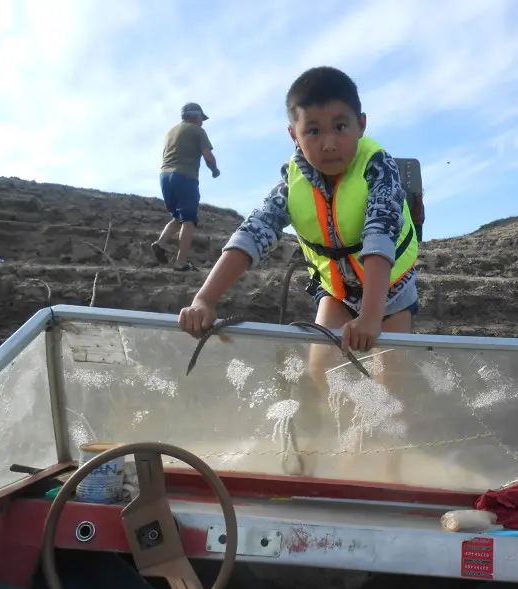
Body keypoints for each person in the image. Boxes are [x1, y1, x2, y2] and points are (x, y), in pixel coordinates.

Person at [178, 66, 419, 382]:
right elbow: (255, 231)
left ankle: (385, 431)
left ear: (361, 125)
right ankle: (337, 429)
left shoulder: (378, 167)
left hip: (390, 292)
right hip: (337, 292)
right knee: (322, 372)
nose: (329, 143)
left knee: (391, 379)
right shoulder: (293, 181)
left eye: (340, 126)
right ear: (294, 135)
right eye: (314, 131)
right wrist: (204, 300)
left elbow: (380, 233)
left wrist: (371, 317)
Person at [152, 102, 220, 272]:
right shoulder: (198, 131)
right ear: (196, 115)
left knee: (178, 217)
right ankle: (180, 263)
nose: (202, 122)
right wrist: (214, 170)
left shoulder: (170, 132)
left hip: (164, 176)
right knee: (189, 220)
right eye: (201, 118)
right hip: (185, 176)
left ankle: (160, 243)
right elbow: (208, 156)